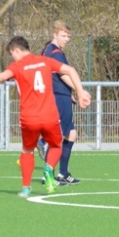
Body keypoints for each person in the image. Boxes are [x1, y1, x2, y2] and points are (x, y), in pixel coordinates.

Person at [0, 36, 92, 198]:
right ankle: (49, 168)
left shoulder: (17, 66)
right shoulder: (45, 61)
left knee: (27, 151)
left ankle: (26, 188)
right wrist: (80, 92)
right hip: (49, 115)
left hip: (29, 118)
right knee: (56, 145)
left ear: (16, 50)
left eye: (12, 54)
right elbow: (71, 70)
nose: (12, 57)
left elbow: (2, 76)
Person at [40, 21, 80, 184]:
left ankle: (63, 173)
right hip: (58, 98)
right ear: (54, 34)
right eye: (64, 35)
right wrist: (79, 90)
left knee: (71, 133)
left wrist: (69, 92)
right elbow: (63, 75)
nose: (67, 39)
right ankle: (47, 174)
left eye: (68, 36)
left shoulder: (48, 50)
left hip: (60, 95)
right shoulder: (55, 52)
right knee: (56, 137)